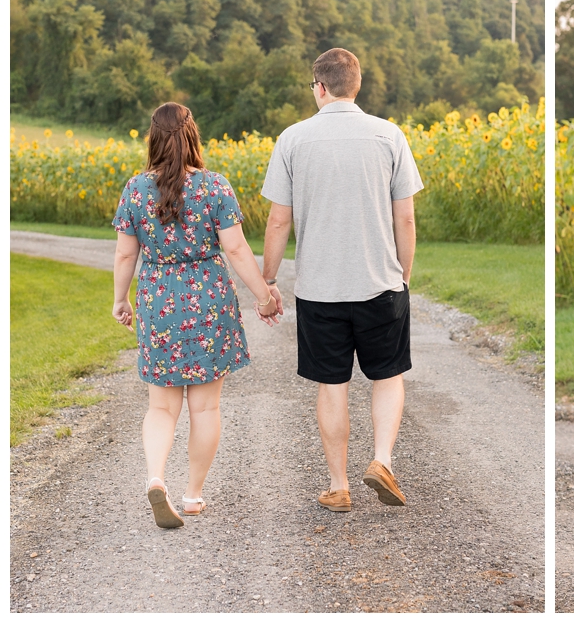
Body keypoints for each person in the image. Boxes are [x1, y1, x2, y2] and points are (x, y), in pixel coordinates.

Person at [259, 47, 422, 513]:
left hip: (319, 290)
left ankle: (339, 485)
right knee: (388, 376)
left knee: (332, 385)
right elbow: (405, 218)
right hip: (381, 284)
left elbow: (277, 221)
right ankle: (382, 461)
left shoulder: (293, 139)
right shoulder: (389, 135)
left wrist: (268, 281)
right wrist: (402, 274)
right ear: (357, 85)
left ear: (320, 86)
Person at [112, 102, 280, 529]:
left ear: (152, 137)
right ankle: (192, 495)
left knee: (161, 407)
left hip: (157, 301)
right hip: (209, 301)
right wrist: (264, 296)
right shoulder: (214, 186)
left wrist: (121, 299)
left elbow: (125, 254)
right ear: (192, 137)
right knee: (205, 409)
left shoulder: (135, 189)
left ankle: (155, 478)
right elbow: (237, 250)